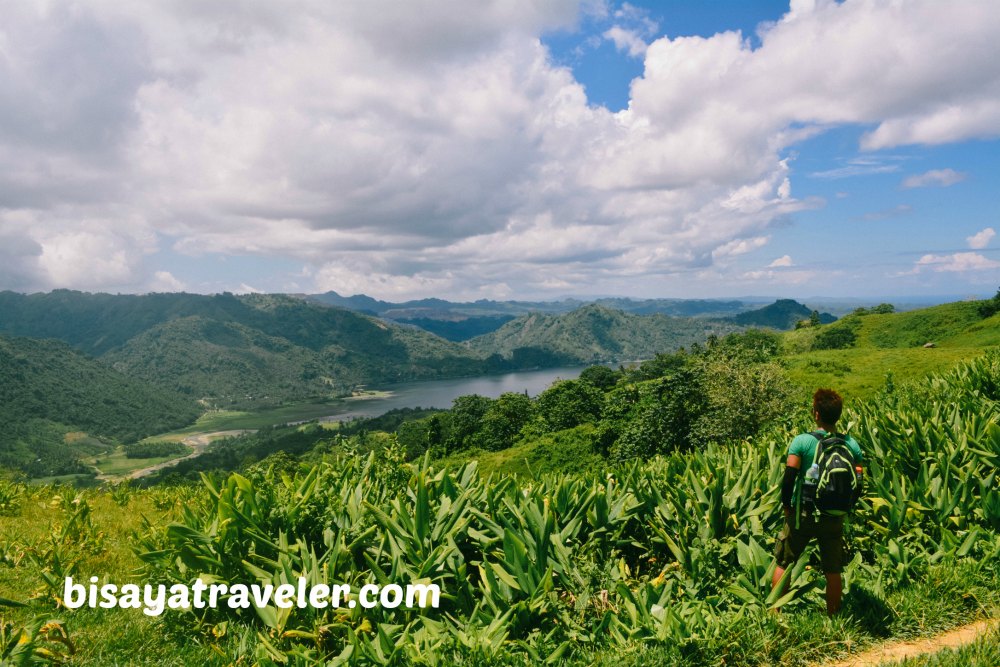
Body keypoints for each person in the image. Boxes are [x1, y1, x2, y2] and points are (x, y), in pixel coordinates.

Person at [771, 388, 862, 615]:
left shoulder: (802, 441)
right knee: (833, 569)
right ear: (838, 415)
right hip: (834, 515)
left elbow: (789, 477)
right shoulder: (852, 445)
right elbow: (858, 483)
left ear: (816, 414)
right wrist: (845, 508)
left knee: (784, 562)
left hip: (803, 514)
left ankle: (775, 615)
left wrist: (786, 506)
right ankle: (833, 615)